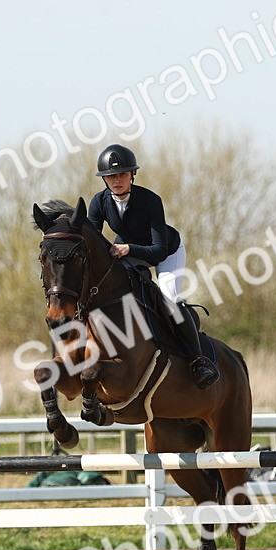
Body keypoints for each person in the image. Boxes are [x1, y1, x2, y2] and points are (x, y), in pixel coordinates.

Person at [87, 144, 219, 390]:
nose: (117, 180)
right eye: (111, 176)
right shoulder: (99, 202)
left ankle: (197, 360)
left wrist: (128, 249)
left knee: (169, 298)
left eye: (122, 175)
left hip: (166, 252)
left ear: (132, 175)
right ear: (104, 179)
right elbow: (93, 242)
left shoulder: (150, 201)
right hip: (129, 252)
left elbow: (158, 250)